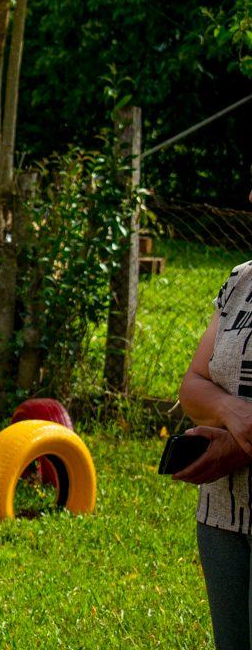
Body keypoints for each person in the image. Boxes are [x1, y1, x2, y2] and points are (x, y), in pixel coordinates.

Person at [175, 190, 252, 650]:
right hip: (222, 515)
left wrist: (240, 444)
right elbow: (192, 386)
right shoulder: (241, 280)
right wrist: (231, 411)